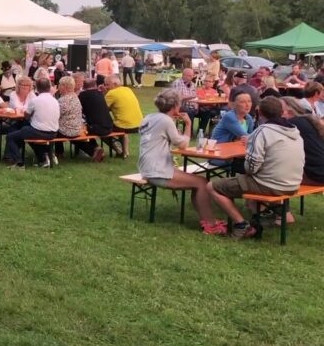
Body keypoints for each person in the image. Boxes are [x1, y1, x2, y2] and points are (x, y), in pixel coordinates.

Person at [205, 97, 305, 239]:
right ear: (282, 112)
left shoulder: (263, 131)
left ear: (260, 113)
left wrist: (247, 167)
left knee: (212, 186)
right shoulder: (295, 132)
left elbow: (252, 167)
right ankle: (274, 212)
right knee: (257, 177)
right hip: (293, 183)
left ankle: (242, 225)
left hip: (270, 184)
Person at [137, 89, 224, 235]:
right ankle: (210, 224)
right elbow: (182, 144)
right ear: (176, 105)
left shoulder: (149, 117)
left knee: (198, 182)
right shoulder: (166, 120)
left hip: (146, 167)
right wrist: (188, 125)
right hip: (158, 170)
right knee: (202, 183)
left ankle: (208, 220)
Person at [5, 78, 59, 168]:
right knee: (25, 131)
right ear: (49, 88)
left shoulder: (35, 100)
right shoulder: (55, 100)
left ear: (36, 88)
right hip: (53, 132)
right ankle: (43, 158)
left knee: (11, 137)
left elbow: (26, 115)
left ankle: (19, 163)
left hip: (38, 131)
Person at [54, 76, 101, 161]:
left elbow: (54, 116)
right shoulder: (75, 97)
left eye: (60, 85)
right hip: (77, 128)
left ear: (64, 86)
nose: (58, 87)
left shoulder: (62, 100)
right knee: (74, 138)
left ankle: (58, 153)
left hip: (65, 130)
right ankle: (93, 151)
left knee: (52, 130)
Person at [285, 97, 324, 186]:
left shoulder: (291, 124)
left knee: (273, 177)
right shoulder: (309, 120)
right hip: (319, 171)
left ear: (290, 111)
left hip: (315, 174)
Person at [105, 75, 142, 157]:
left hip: (124, 125)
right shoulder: (127, 89)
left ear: (114, 84)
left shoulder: (111, 93)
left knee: (102, 131)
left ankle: (119, 149)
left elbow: (102, 109)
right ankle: (126, 152)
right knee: (122, 129)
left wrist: (102, 92)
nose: (105, 87)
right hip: (138, 124)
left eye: (107, 84)